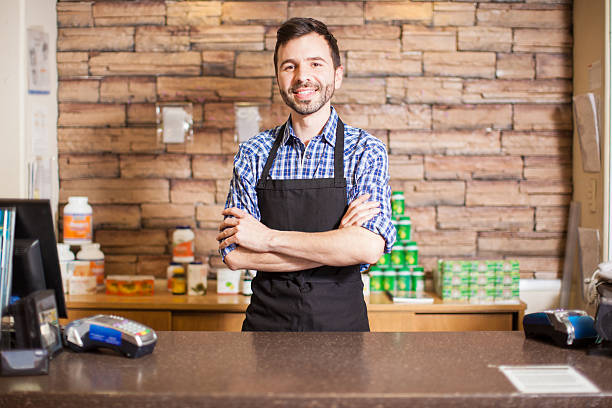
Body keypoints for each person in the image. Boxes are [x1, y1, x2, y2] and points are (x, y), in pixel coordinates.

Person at [217, 17, 395, 332]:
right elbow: (236, 255)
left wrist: (267, 239)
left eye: (316, 64)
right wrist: (338, 246)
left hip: (343, 333)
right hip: (265, 331)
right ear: (278, 77)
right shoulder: (253, 153)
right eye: (290, 66)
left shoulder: (366, 150)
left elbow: (368, 247)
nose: (303, 77)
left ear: (337, 76)